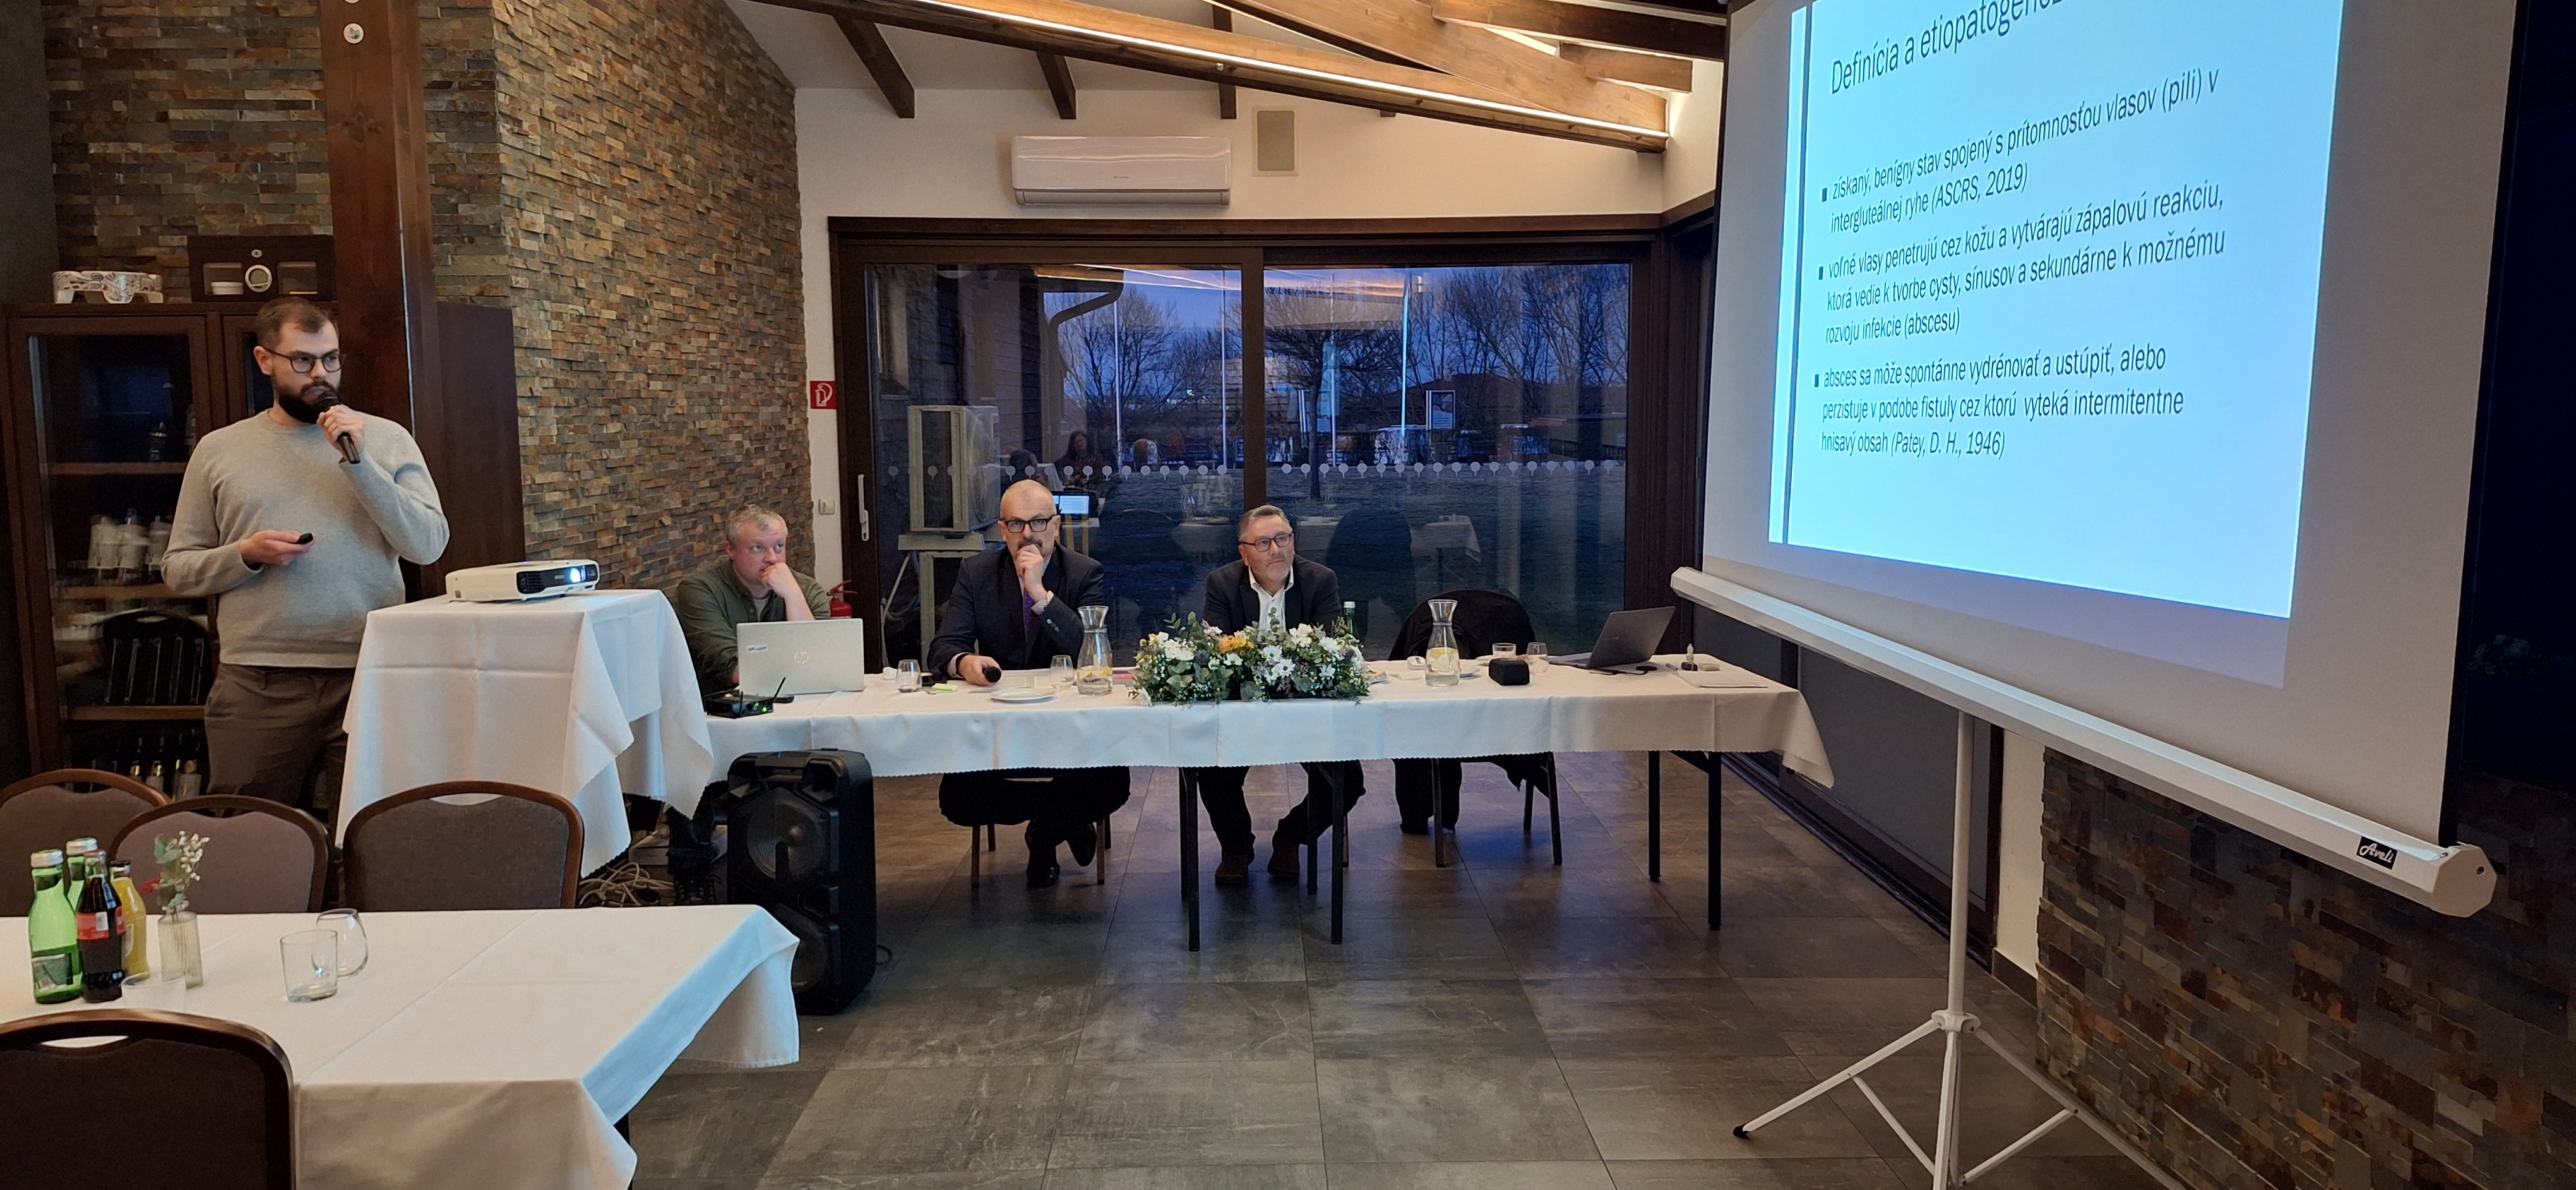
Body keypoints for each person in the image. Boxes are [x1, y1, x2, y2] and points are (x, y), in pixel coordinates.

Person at [162, 297, 449, 809]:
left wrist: (360, 464)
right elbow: (179, 570)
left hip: (370, 672)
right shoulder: (219, 449)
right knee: (248, 830)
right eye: (302, 360)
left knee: (374, 833)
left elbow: (427, 546)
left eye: (331, 359)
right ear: (264, 360)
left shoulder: (385, 440)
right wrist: (245, 555)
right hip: (259, 681)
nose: (321, 374)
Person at [929, 480, 1130, 887]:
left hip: (1072, 727)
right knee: (958, 799)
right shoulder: (976, 572)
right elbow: (944, 647)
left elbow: (1089, 651)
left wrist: (1038, 592)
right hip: (1001, 724)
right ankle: (1061, 820)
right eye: (1016, 524)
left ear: (1055, 525)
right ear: (1002, 530)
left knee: (1112, 785)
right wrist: (965, 662)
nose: (1028, 534)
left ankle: (1045, 832)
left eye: (1038, 522)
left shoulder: (1084, 572)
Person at [1186, 505, 1364, 882]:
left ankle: (1292, 836)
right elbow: (1218, 654)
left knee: (1348, 782)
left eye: (1283, 539)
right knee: (1211, 769)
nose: (1276, 550)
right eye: (1264, 543)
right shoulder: (1222, 584)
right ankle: (1237, 848)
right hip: (1243, 708)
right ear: (1244, 553)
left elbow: (1331, 650)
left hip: (1306, 710)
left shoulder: (1320, 580)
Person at [672, 505, 833, 696]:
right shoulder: (699, 590)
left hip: (802, 700)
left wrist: (793, 596)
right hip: (726, 707)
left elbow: (820, 663)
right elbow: (735, 669)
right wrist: (803, 667)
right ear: (731, 551)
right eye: (758, 548)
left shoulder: (807, 590)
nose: (772, 559)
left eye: (779, 547)